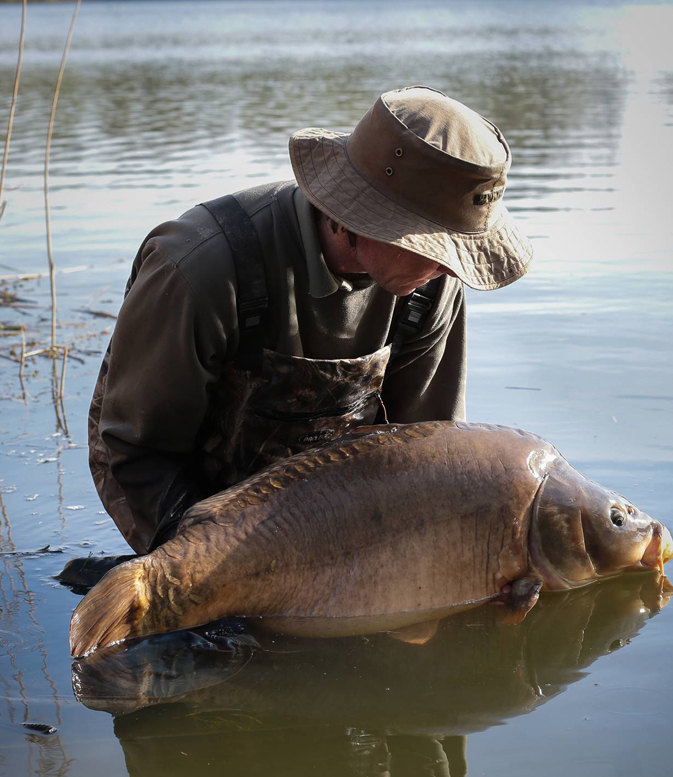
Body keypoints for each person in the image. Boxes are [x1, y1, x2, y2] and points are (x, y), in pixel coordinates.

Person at [88, 85, 533, 557]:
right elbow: (136, 452)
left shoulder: (432, 284)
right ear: (360, 217)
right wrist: (210, 564)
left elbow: (425, 457)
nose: (451, 267)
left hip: (334, 496)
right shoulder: (201, 268)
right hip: (183, 488)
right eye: (437, 246)